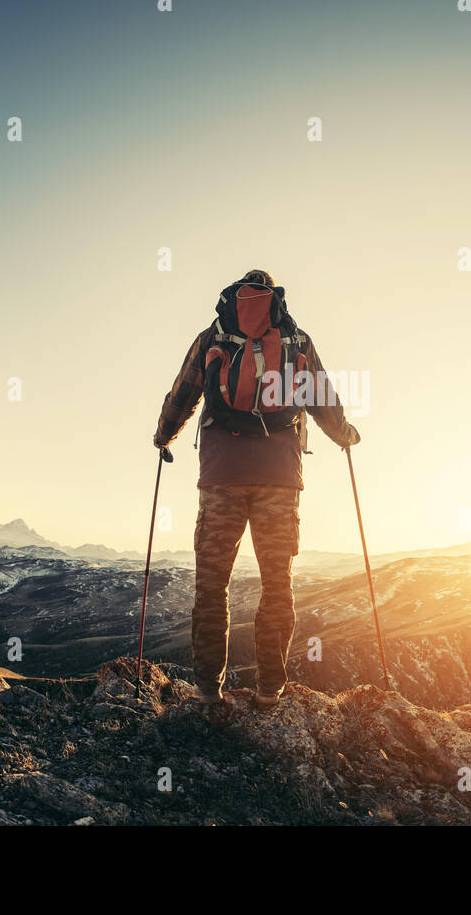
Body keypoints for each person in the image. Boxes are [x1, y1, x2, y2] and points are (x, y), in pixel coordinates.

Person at [153, 269, 360, 708]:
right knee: (277, 586)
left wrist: (163, 436)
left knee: (212, 587)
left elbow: (183, 393)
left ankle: (209, 692)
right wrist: (345, 435)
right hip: (279, 481)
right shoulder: (296, 341)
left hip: (220, 478)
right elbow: (323, 399)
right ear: (275, 300)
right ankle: (270, 691)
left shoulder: (215, 335)